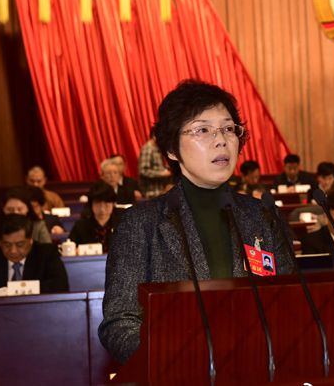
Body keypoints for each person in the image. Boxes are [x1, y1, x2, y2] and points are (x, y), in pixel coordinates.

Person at [99, 80, 293, 364]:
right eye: (203, 130)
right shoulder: (140, 223)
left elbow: (289, 302)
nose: (221, 140)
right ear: (171, 149)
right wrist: (174, 362)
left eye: (228, 129)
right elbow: (120, 322)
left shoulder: (262, 215)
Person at [0, 214, 68, 293]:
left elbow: (61, 286)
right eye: (7, 245)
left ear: (30, 240)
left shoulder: (46, 255)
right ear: (0, 242)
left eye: (20, 244)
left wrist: (16, 290)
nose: (13, 251)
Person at [0, 187, 52, 263]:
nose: (15, 213)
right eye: (10, 210)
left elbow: (49, 253)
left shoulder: (38, 226)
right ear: (3, 210)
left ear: (28, 209)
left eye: (19, 209)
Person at [69, 182, 120, 253]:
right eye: (98, 203)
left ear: (113, 204)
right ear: (91, 204)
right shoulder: (80, 226)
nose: (102, 209)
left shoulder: (122, 224)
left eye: (106, 204)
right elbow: (70, 248)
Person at [138, 134, 173, 198]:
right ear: (154, 136)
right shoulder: (148, 149)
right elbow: (143, 171)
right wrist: (162, 173)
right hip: (151, 192)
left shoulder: (156, 148)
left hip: (159, 191)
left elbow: (156, 167)